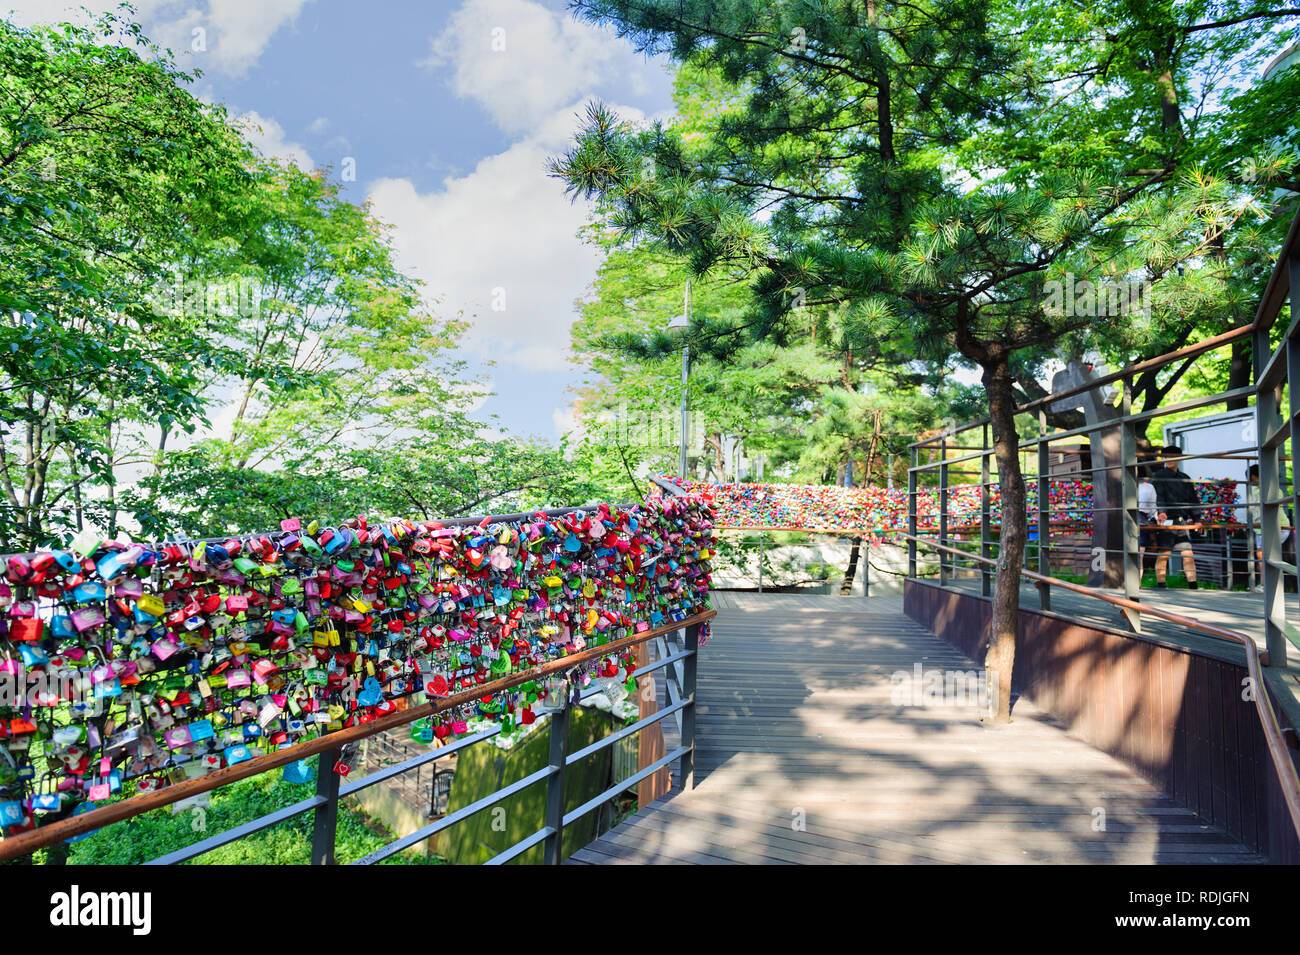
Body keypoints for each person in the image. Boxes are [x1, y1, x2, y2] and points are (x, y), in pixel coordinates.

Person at [1149, 445, 1200, 589]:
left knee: (1188, 553)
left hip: (1182, 520)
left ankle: (1193, 585)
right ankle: (1161, 584)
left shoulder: (1185, 478)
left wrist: (1197, 519)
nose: (1168, 460)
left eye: (1172, 457)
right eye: (1165, 457)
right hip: (1166, 519)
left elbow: (1193, 499)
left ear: (1179, 458)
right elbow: (1159, 496)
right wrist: (1162, 512)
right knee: (1164, 553)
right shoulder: (1158, 476)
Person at [1246, 464, 1295, 593]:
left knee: (1268, 555)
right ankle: (1264, 584)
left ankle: (1269, 585)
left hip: (1276, 526)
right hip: (1260, 528)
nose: (1251, 481)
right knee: (1262, 556)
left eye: (1252, 478)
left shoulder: (1274, 489)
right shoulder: (1256, 490)